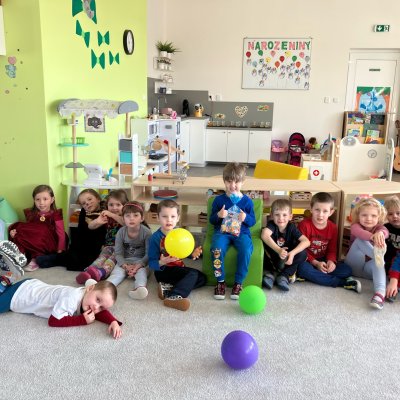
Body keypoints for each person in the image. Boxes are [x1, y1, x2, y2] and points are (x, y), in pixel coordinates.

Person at [0, 259, 122, 338]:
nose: (96, 307)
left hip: (33, 285)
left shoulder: (88, 294)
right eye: (98, 300)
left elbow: (100, 309)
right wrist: (81, 320)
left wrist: (113, 321)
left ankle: (5, 282)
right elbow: (54, 321)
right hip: (20, 295)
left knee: (4, 290)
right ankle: (6, 276)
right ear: (90, 288)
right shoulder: (72, 298)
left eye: (101, 307)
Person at [148, 199, 205, 311]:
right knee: (193, 274)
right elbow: (151, 263)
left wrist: (192, 254)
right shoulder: (155, 238)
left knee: (202, 278)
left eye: (173, 216)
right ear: (158, 217)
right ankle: (174, 296)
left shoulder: (179, 233)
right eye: (164, 216)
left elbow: (182, 252)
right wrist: (162, 262)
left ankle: (167, 288)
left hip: (178, 268)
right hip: (163, 271)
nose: (169, 220)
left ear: (178, 218)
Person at [297, 192, 361, 293]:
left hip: (323, 260)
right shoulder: (304, 225)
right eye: (317, 210)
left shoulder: (333, 227)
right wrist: (316, 263)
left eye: (325, 211)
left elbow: (332, 249)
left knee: (347, 270)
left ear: (331, 212)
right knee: (302, 269)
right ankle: (341, 283)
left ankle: (314, 276)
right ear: (311, 209)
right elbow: (301, 250)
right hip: (307, 260)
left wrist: (331, 261)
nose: (320, 215)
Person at [210, 162, 255, 300]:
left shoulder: (247, 202)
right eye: (229, 181)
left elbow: (252, 221)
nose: (233, 185)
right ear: (224, 181)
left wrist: (245, 217)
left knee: (246, 249)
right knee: (216, 249)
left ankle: (238, 283)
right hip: (222, 232)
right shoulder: (219, 200)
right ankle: (220, 282)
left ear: (243, 182)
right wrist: (219, 215)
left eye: (236, 182)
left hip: (242, 233)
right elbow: (212, 220)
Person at [37, 189, 106, 271]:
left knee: (83, 262)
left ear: (98, 199)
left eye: (90, 199)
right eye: (83, 203)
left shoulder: (104, 210)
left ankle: (58, 259)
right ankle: (56, 258)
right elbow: (81, 233)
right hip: (84, 243)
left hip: (96, 245)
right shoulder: (84, 212)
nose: (87, 203)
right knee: (73, 257)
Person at [8, 185, 66, 272]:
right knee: (19, 227)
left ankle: (33, 259)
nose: (41, 203)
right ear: (34, 200)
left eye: (45, 199)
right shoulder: (32, 213)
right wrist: (16, 232)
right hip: (36, 243)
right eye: (37, 199)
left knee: (42, 230)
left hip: (51, 242)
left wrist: (60, 250)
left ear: (52, 200)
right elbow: (30, 232)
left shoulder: (55, 214)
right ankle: (20, 254)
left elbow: (61, 233)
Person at [75, 190, 128, 284]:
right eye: (111, 205)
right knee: (101, 257)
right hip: (108, 245)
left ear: (124, 205)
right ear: (107, 205)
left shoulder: (126, 215)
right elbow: (90, 226)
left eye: (118, 205)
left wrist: (112, 215)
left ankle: (101, 272)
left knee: (112, 259)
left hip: (122, 247)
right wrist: (98, 221)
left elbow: (125, 223)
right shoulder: (106, 215)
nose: (114, 208)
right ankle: (88, 272)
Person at [345, 197, 389, 310]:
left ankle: (380, 294)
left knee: (377, 263)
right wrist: (373, 236)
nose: (368, 219)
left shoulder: (380, 228)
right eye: (364, 215)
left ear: (379, 217)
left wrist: (380, 234)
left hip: (368, 271)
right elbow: (359, 232)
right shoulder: (355, 226)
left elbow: (385, 232)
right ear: (358, 216)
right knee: (360, 240)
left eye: (373, 216)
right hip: (353, 266)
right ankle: (378, 256)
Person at [107, 201, 152, 300]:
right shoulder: (121, 232)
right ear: (123, 219)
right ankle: (106, 287)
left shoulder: (147, 232)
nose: (131, 218)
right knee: (117, 273)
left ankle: (139, 288)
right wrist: (125, 265)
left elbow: (149, 254)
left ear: (142, 218)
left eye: (135, 215)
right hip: (125, 260)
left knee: (142, 273)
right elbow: (118, 253)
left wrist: (138, 265)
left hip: (142, 261)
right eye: (128, 216)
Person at [262, 199, 310, 291]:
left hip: (287, 259)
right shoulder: (271, 225)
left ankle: (284, 276)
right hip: (274, 258)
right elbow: (264, 234)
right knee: (263, 246)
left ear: (290, 216)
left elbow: (306, 241)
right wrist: (279, 250)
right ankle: (270, 274)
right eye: (277, 214)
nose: (280, 218)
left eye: (284, 215)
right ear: (271, 215)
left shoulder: (291, 227)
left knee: (303, 253)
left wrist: (292, 253)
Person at [383, 195, 400, 274]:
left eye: (398, 213)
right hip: (388, 261)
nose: (395, 216)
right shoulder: (385, 228)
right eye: (390, 214)